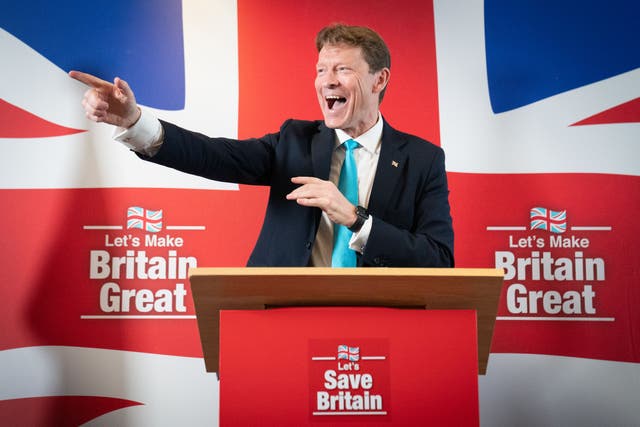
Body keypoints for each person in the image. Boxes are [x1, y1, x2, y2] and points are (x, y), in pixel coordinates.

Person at [70, 23, 454, 268]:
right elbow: (212, 156)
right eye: (321, 70)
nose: (327, 81)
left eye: (342, 69)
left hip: (382, 324)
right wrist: (136, 122)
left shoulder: (422, 160)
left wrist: (355, 218)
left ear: (379, 79)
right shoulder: (294, 142)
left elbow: (439, 259)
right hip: (284, 316)